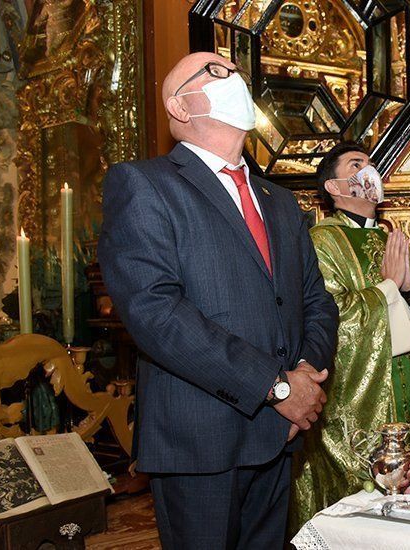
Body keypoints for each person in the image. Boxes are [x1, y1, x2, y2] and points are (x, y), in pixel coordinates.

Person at [98, 52, 339, 548]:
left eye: (237, 72)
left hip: (279, 436)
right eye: (217, 71)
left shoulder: (281, 200)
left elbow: (317, 302)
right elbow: (156, 314)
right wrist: (274, 389)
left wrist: (303, 386)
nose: (236, 79)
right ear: (179, 107)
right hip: (199, 441)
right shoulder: (144, 184)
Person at [289, 142, 410, 532]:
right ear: (335, 187)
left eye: (372, 165)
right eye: (357, 165)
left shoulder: (390, 238)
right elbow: (328, 316)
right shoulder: (321, 242)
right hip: (360, 398)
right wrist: (388, 288)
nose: (369, 172)